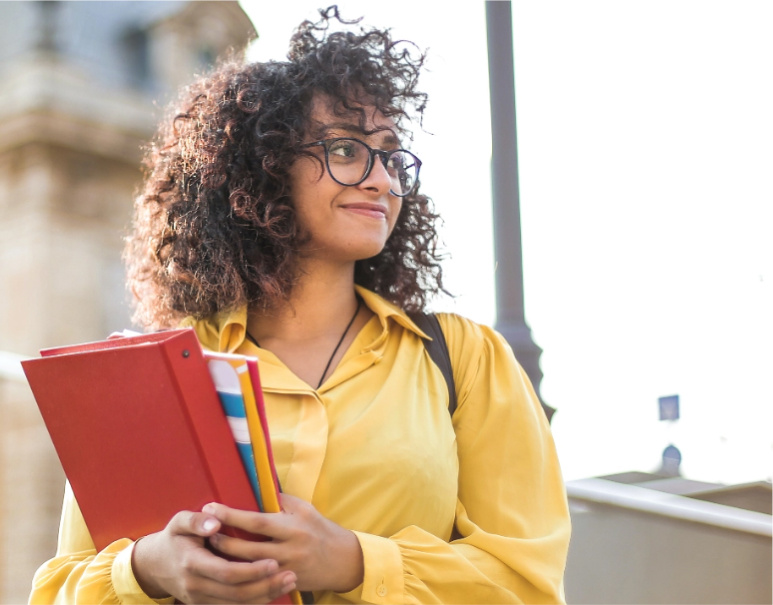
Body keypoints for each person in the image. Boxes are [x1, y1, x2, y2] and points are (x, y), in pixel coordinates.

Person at [29, 7, 570, 604]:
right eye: (345, 149)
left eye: (390, 154)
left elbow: (527, 583)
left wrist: (356, 563)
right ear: (264, 166)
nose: (381, 180)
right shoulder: (152, 374)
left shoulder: (464, 360)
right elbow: (58, 590)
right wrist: (146, 569)